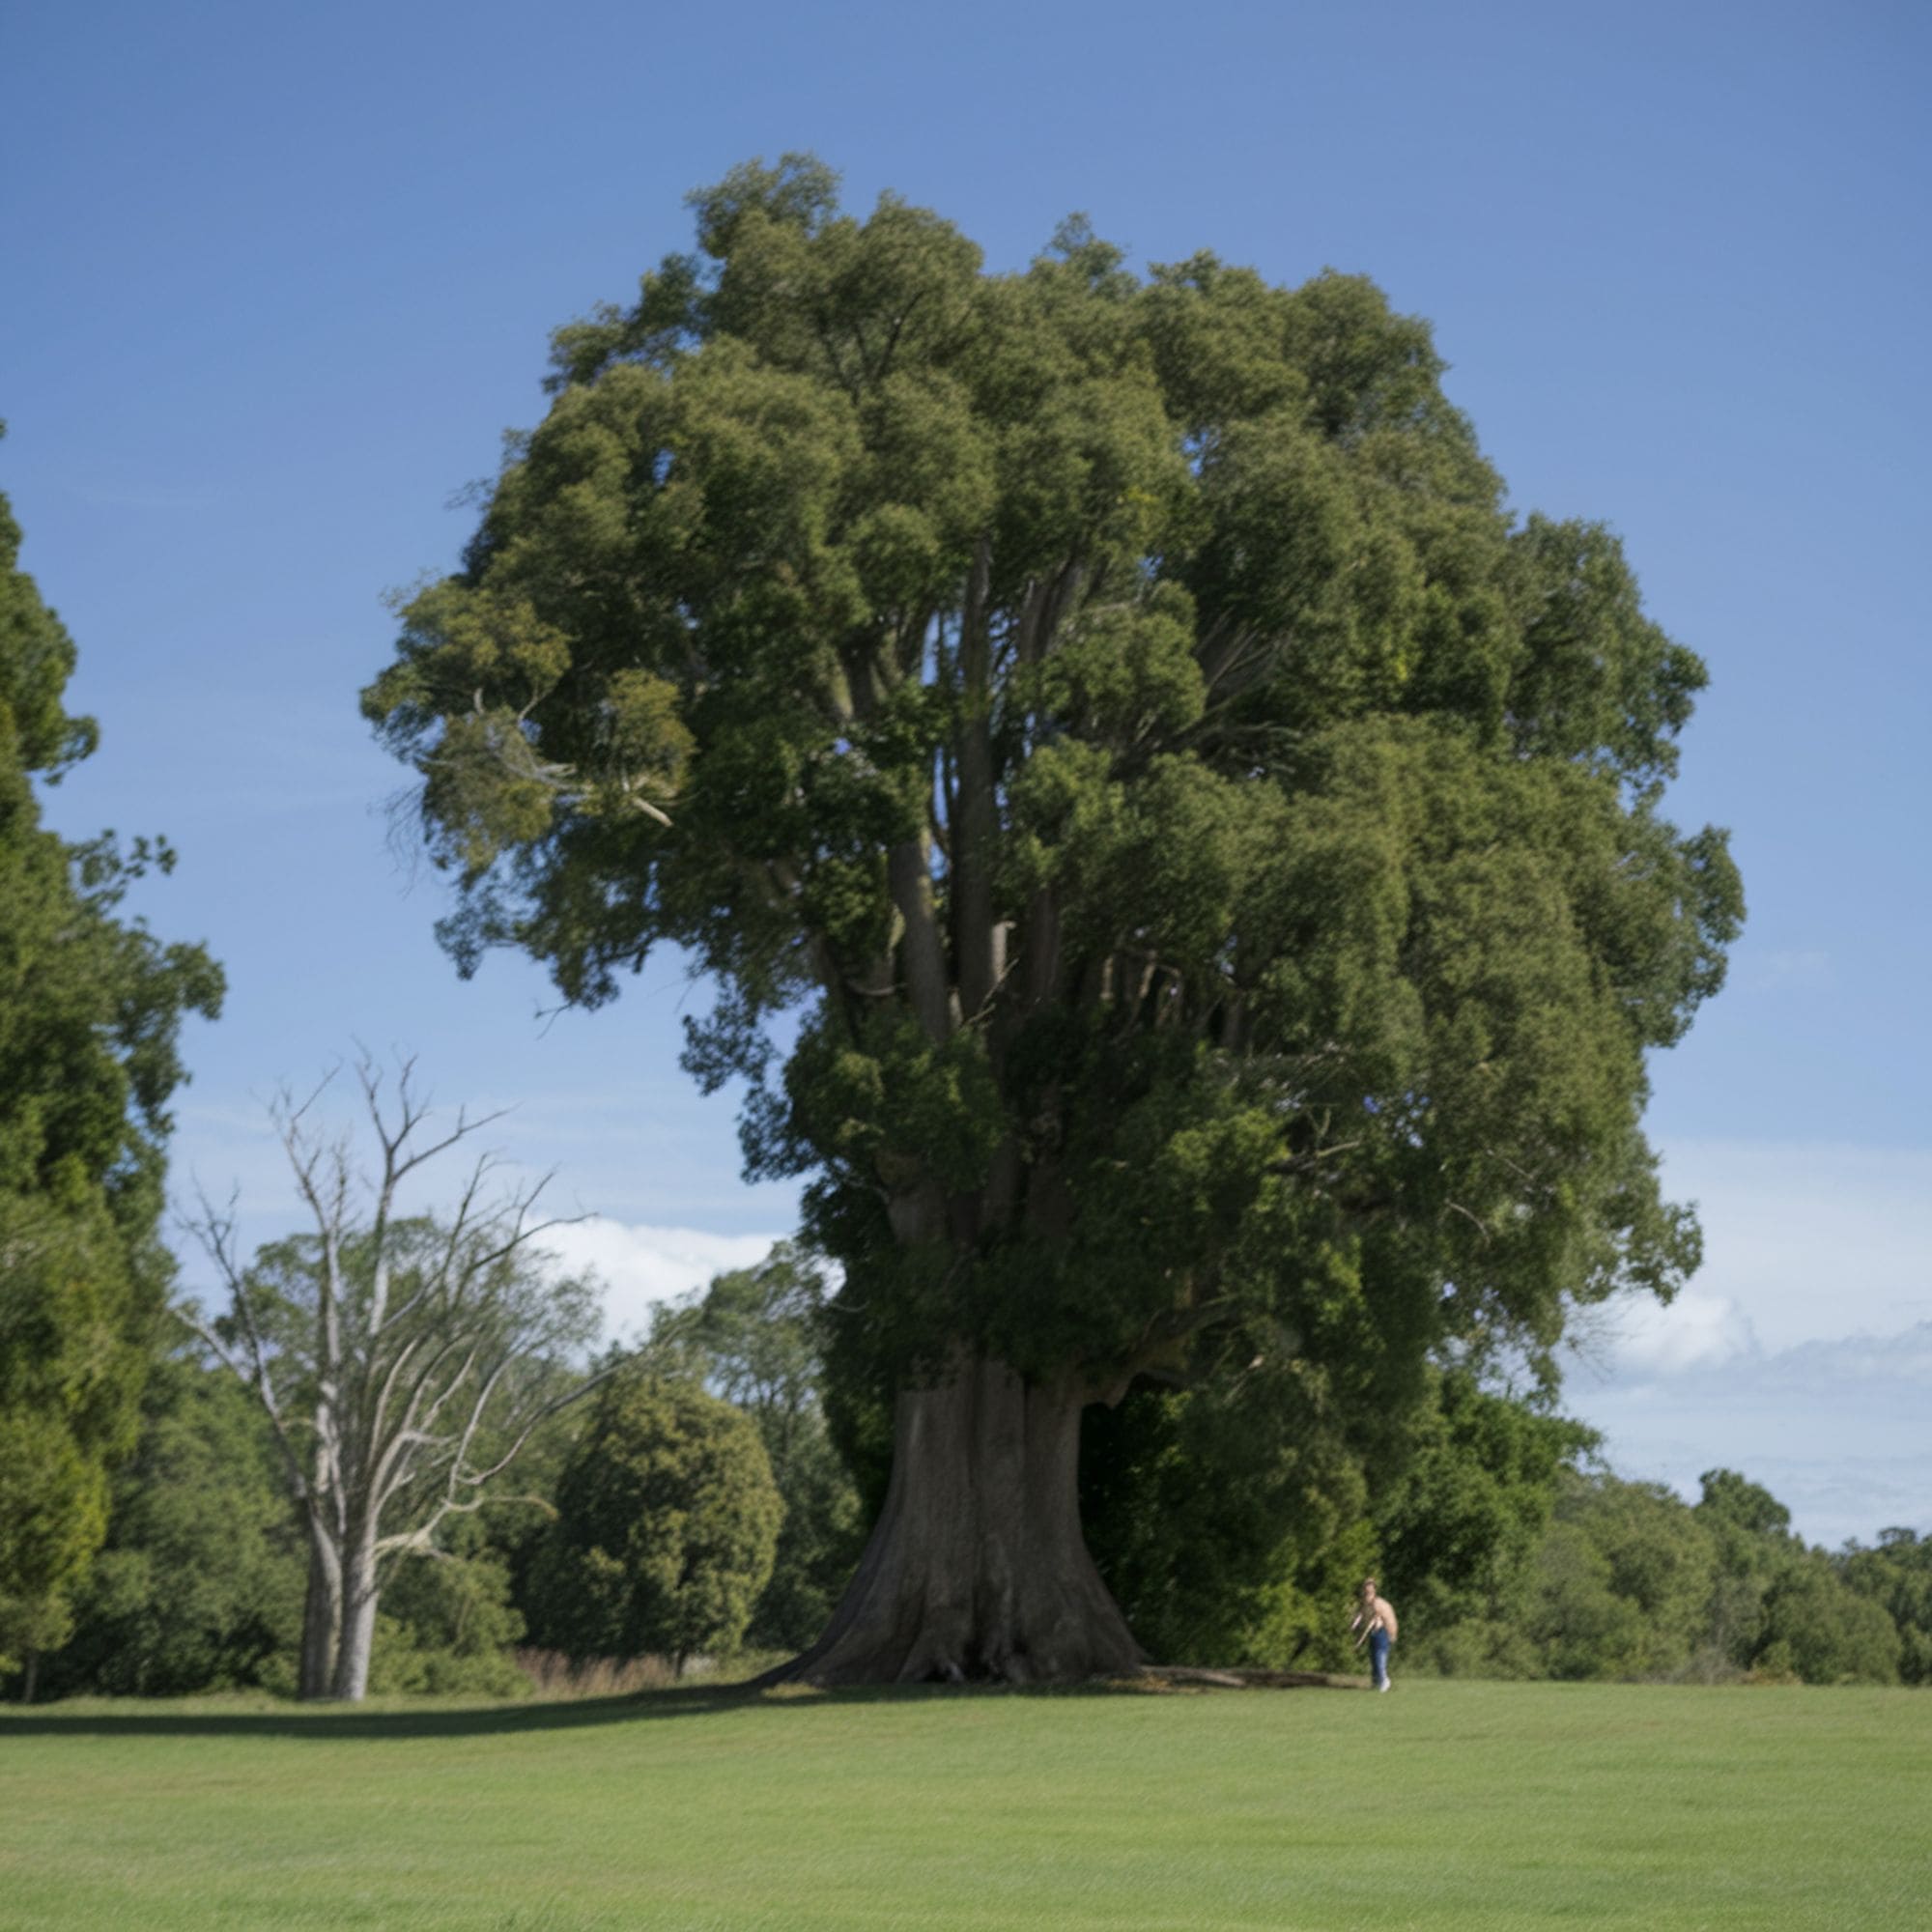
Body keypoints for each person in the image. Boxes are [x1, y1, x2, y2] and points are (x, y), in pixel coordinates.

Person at [1350, 1577, 1398, 1691]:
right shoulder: (1365, 1601)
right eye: (1367, 1585)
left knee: (1379, 1658)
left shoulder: (1376, 1602)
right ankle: (1376, 1682)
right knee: (1373, 1659)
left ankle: (1384, 1681)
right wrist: (1353, 1625)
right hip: (1373, 1634)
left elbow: (1372, 1622)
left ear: (1374, 1588)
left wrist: (1361, 1639)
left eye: (1371, 1585)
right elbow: (1360, 1615)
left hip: (1380, 1633)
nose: (1368, 1587)